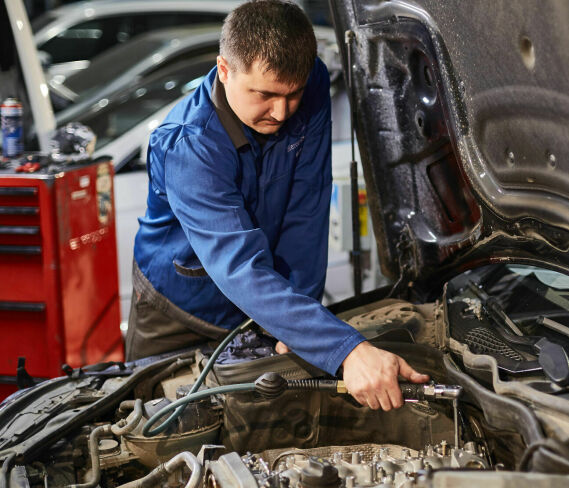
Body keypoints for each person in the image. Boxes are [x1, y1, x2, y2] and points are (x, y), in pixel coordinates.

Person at [127, 0, 427, 410]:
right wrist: (346, 350)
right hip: (177, 312)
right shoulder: (188, 144)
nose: (282, 112)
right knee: (159, 427)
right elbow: (238, 265)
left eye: (293, 94)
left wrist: (296, 323)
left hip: (265, 302)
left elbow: (307, 209)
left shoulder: (312, 85)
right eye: (265, 94)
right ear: (224, 69)